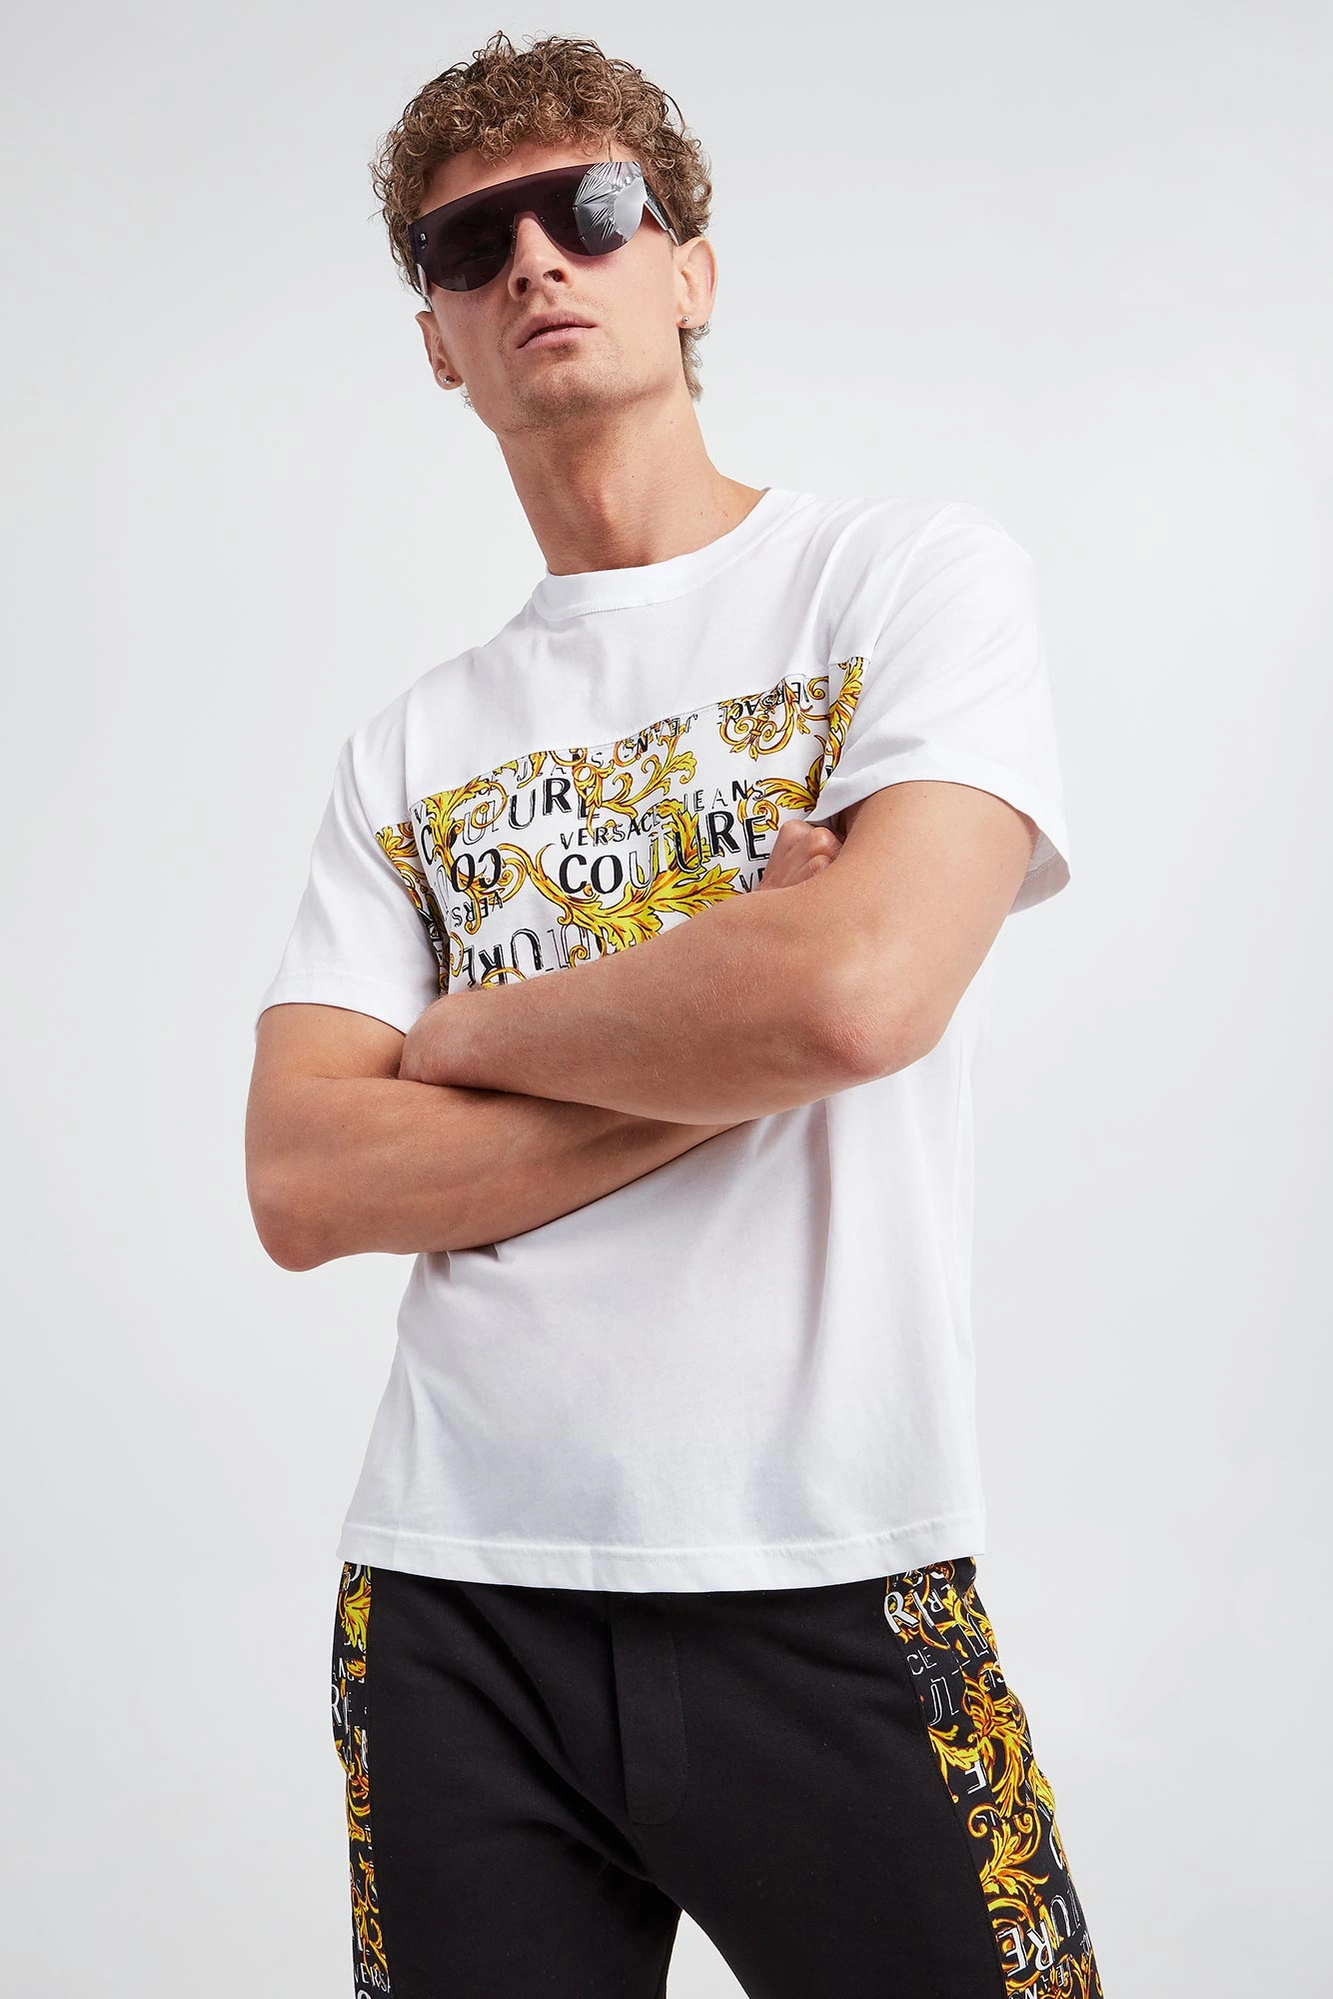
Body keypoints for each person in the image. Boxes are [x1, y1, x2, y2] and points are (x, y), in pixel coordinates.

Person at [245, 28, 1104, 1999]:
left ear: (691, 267)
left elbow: (861, 992)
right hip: (453, 1600)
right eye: (470, 245)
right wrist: (733, 1027)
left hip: (834, 1564)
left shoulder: (904, 584)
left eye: (595, 208)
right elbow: (302, 1177)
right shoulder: (407, 748)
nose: (537, 260)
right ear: (439, 341)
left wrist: (466, 1034)